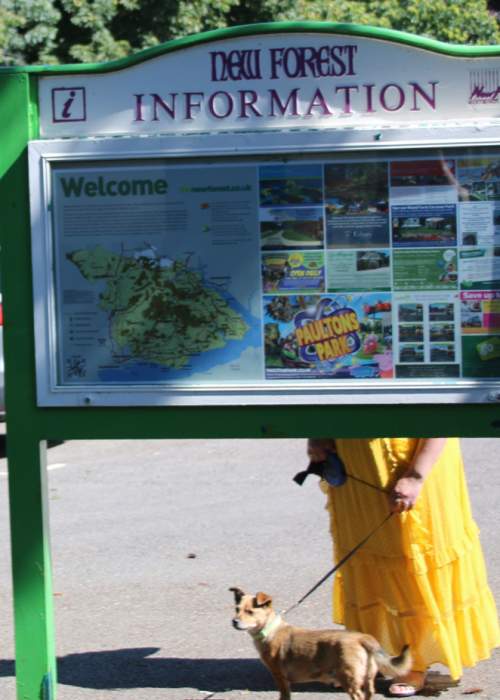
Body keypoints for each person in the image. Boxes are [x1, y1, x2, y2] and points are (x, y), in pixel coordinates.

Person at [307, 437, 500, 697]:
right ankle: (368, 656)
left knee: (411, 558)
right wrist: (317, 434)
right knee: (367, 555)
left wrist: (416, 475)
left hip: (410, 457)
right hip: (356, 459)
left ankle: (413, 662)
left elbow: (442, 410)